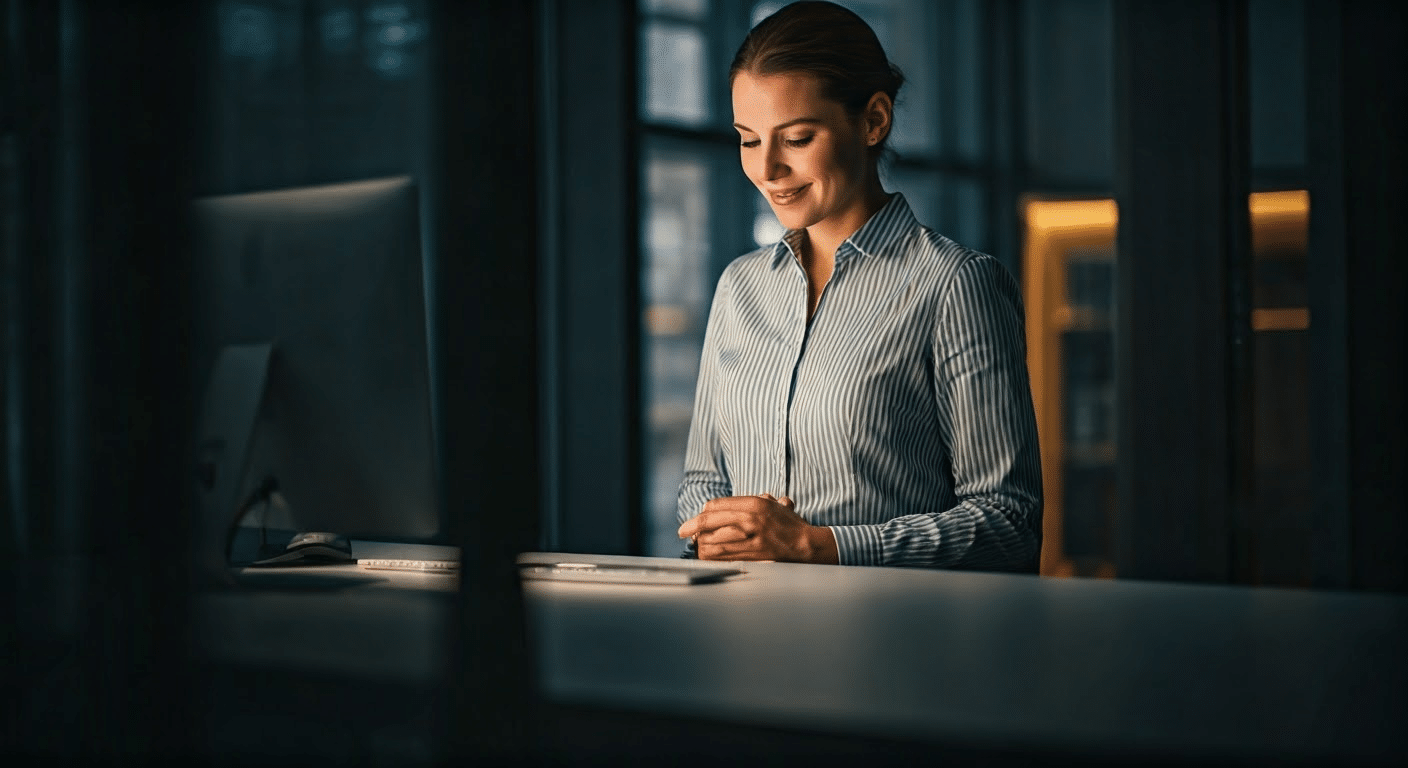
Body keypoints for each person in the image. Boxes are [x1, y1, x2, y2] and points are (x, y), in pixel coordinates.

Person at [675, 1, 1043, 571]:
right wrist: (720, 530)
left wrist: (817, 545)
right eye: (749, 140)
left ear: (873, 121)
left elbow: (1008, 524)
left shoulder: (954, 285)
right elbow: (703, 481)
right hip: (743, 634)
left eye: (796, 138)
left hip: (888, 641)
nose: (767, 169)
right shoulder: (739, 287)